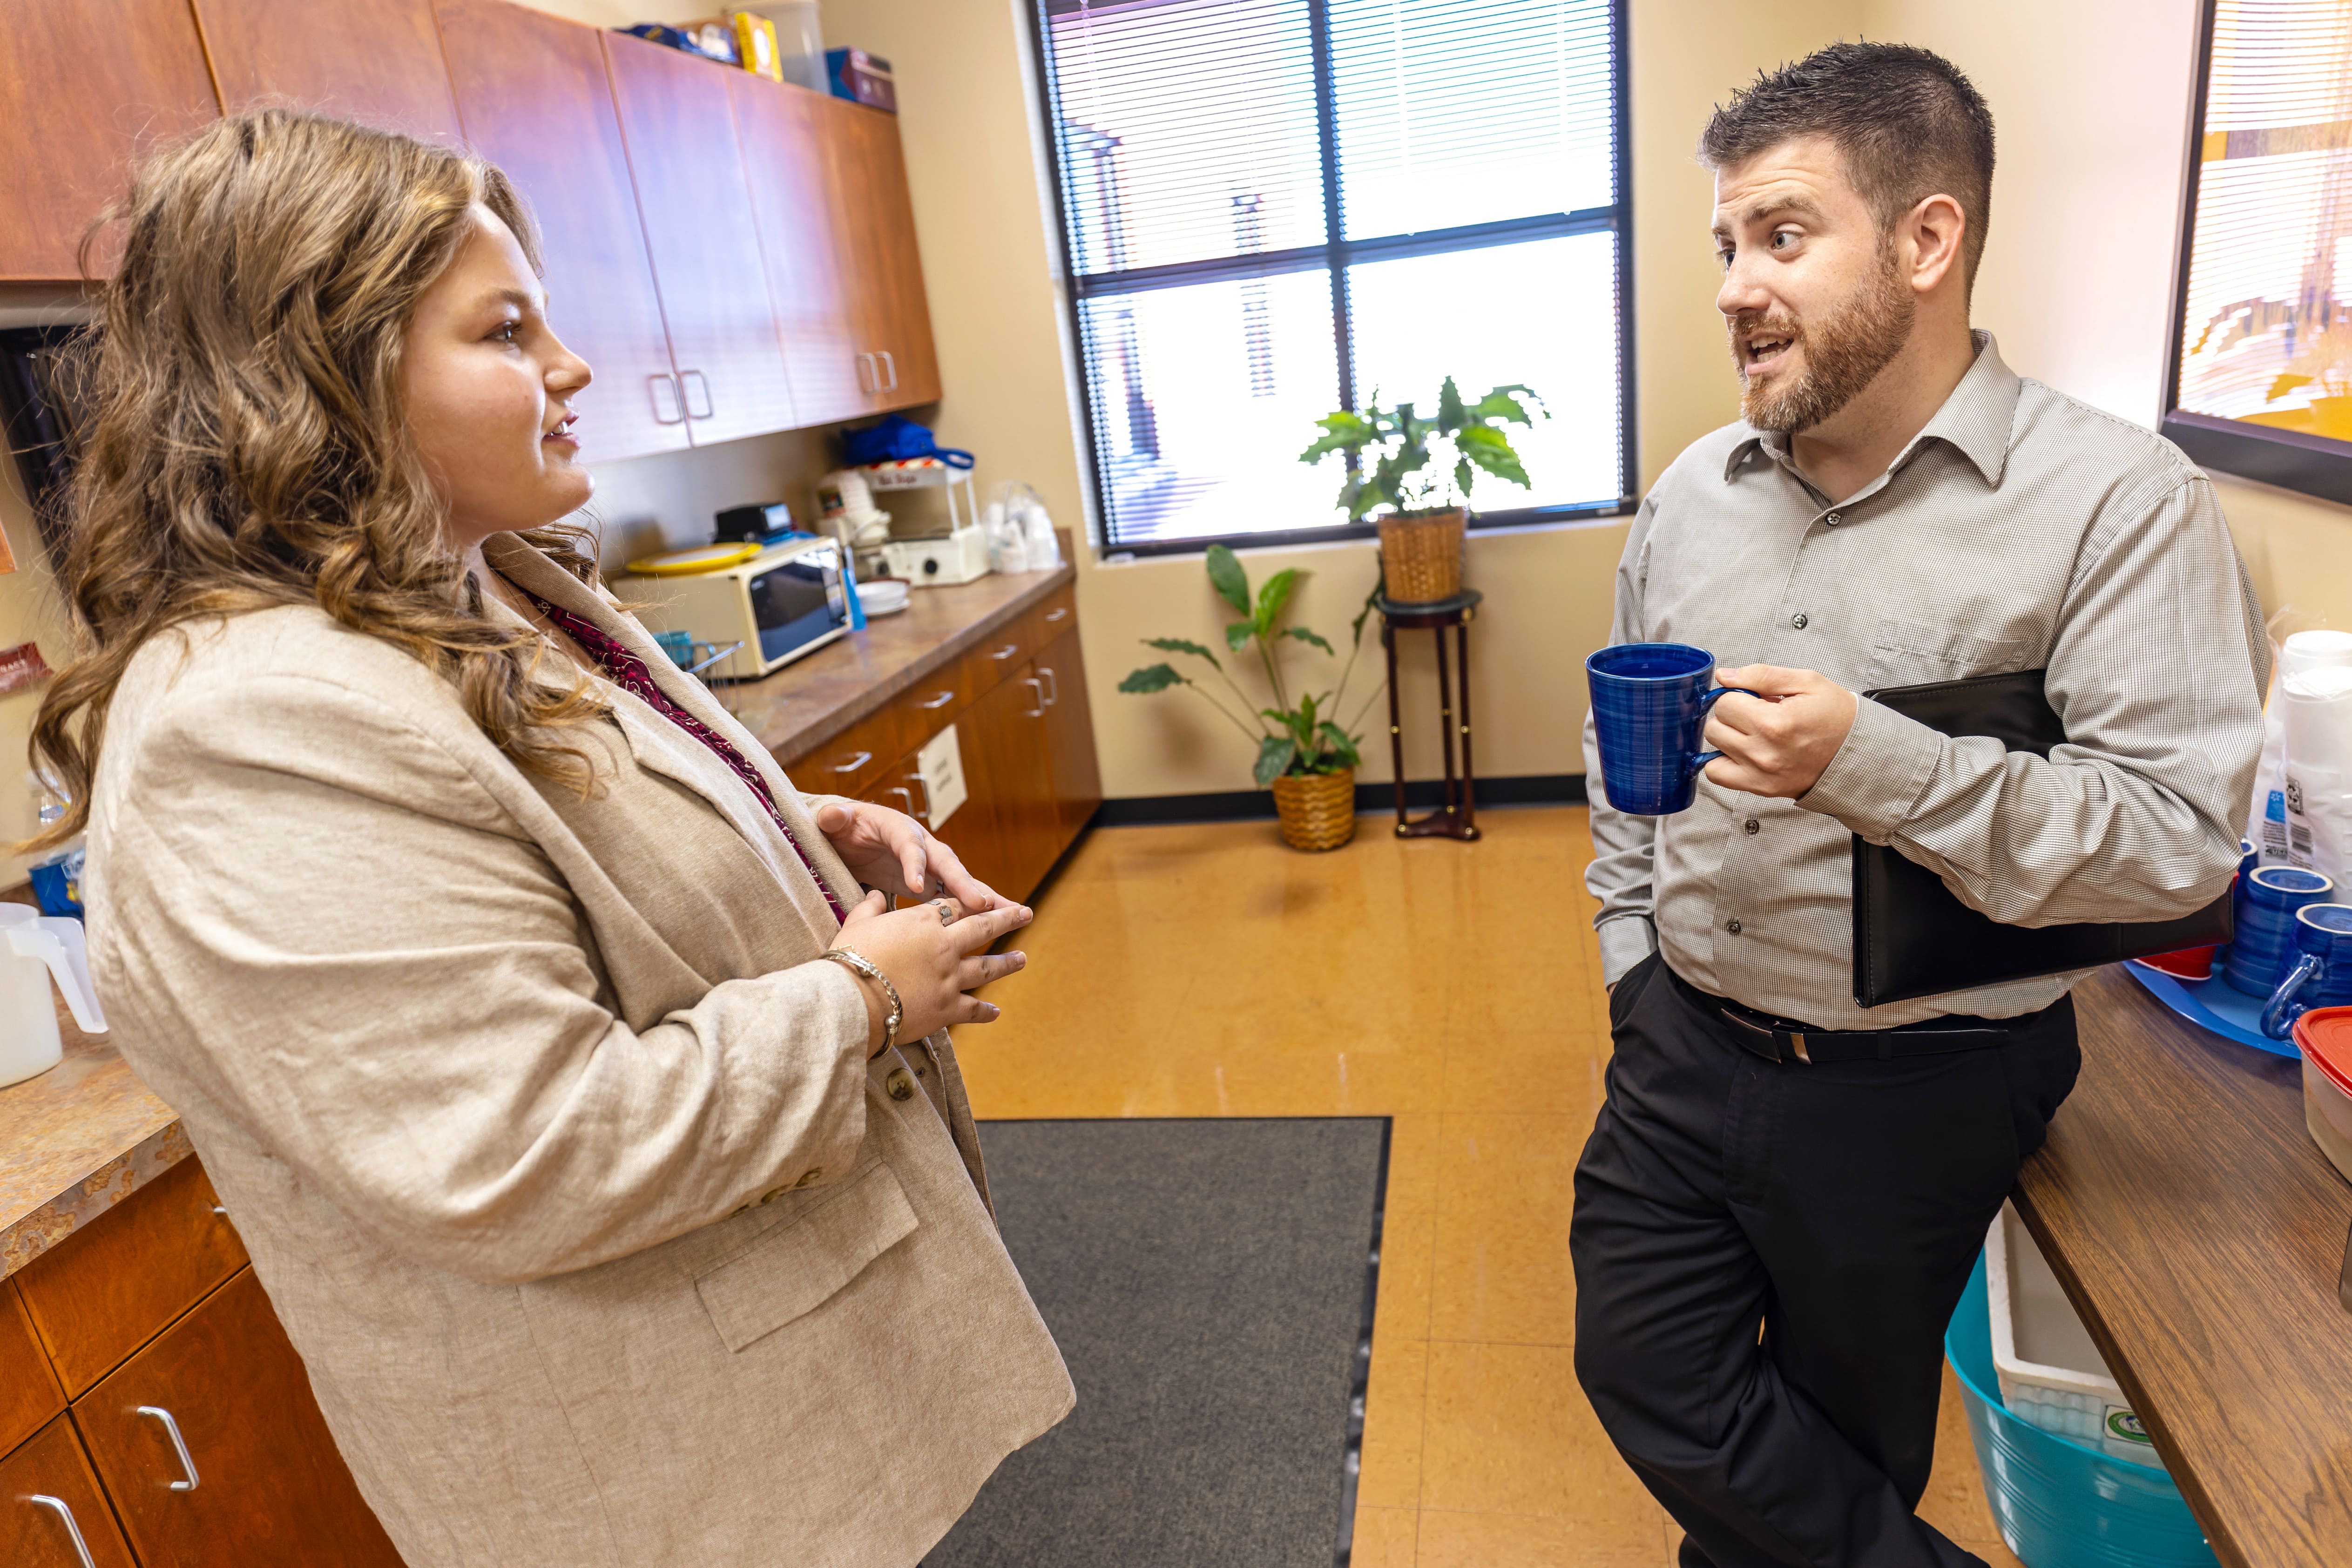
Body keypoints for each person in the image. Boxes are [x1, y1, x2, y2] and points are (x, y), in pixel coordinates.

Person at [23, 110, 1072, 1566]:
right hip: (664, 1454)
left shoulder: (486, 577)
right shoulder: (251, 729)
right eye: (507, 331)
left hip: (785, 1326)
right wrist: (867, 999)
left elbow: (554, 826)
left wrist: (778, 824)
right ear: (320, 376)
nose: (570, 369)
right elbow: (525, 1150)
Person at [1572, 43, 2265, 1568]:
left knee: (1835, 1442)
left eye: (1781, 235)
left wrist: (1866, 764)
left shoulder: (2115, 504)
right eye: (1725, 245)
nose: (1732, 285)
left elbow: (2172, 849)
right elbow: (1611, 755)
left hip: (1920, 1084)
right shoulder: (1687, 495)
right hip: (1679, 1038)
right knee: (1641, 1369)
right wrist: (1631, 962)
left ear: (1925, 240)